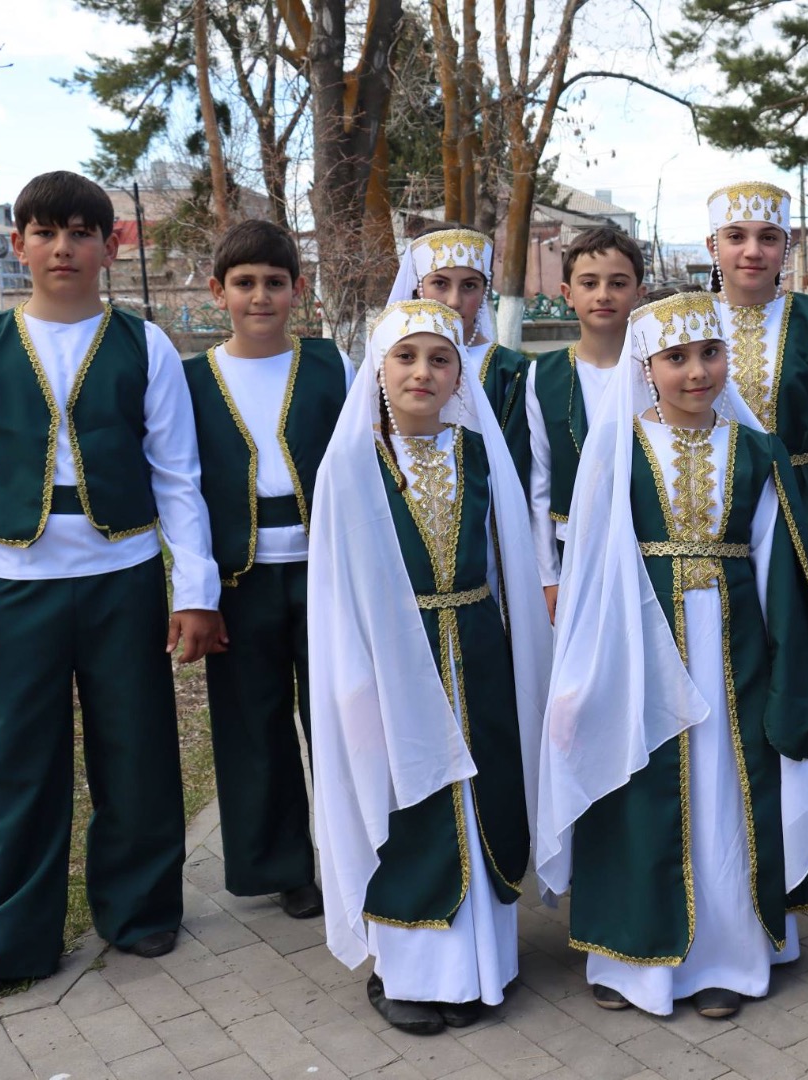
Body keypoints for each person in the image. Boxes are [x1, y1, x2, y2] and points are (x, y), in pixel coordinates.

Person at [0, 171, 222, 1013]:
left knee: (135, 748)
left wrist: (194, 589)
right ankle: (4, 938)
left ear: (110, 245)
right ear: (17, 245)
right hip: (13, 583)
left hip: (120, 577)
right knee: (15, 763)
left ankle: (140, 909)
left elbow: (178, 475)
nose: (62, 248)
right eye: (44, 232)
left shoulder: (145, 343)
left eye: (80, 232)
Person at [534, 293, 808, 1020]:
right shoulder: (615, 448)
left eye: (710, 353)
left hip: (735, 654)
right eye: (676, 358)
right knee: (636, 791)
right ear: (647, 367)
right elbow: (590, 568)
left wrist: (787, 664)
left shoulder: (758, 452)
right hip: (638, 651)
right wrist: (582, 669)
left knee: (726, 795)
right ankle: (629, 954)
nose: (697, 371)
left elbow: (779, 567)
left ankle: (726, 958)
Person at [308, 299, 550, 1035]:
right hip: (391, 658)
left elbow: (506, 556)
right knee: (408, 807)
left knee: (482, 798)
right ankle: (406, 972)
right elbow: (338, 586)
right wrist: (356, 681)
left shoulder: (477, 453)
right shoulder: (351, 463)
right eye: (405, 357)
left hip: (476, 652)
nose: (423, 372)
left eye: (440, 359)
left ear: (459, 374)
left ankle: (481, 966)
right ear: (378, 370)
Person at [182, 219, 352, 920]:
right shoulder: (191, 379)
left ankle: (354, 848)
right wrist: (193, 590)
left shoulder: (330, 364)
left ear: (298, 289)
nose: (260, 297)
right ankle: (283, 866)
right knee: (253, 724)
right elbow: (180, 487)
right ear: (217, 291)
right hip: (240, 580)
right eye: (244, 283)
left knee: (341, 715)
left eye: (274, 283)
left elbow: (360, 461)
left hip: (326, 571)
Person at [706, 180, 808, 846]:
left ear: (786, 247)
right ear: (712, 245)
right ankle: (736, 812)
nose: (752, 251)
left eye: (768, 238)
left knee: (803, 650)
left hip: (801, 509)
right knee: (731, 652)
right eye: (736, 237)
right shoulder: (691, 319)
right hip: (713, 513)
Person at [525, 226, 647, 622]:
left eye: (618, 283)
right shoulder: (544, 375)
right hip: (574, 550)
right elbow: (540, 480)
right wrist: (548, 575)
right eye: (589, 283)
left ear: (639, 293)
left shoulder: (655, 369)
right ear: (567, 293)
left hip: (649, 544)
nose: (603, 295)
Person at [386, 225, 532, 480]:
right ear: (417, 286)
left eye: (469, 285)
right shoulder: (390, 361)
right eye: (440, 283)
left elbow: (514, 464)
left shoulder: (508, 369)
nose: (454, 301)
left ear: (484, 290)